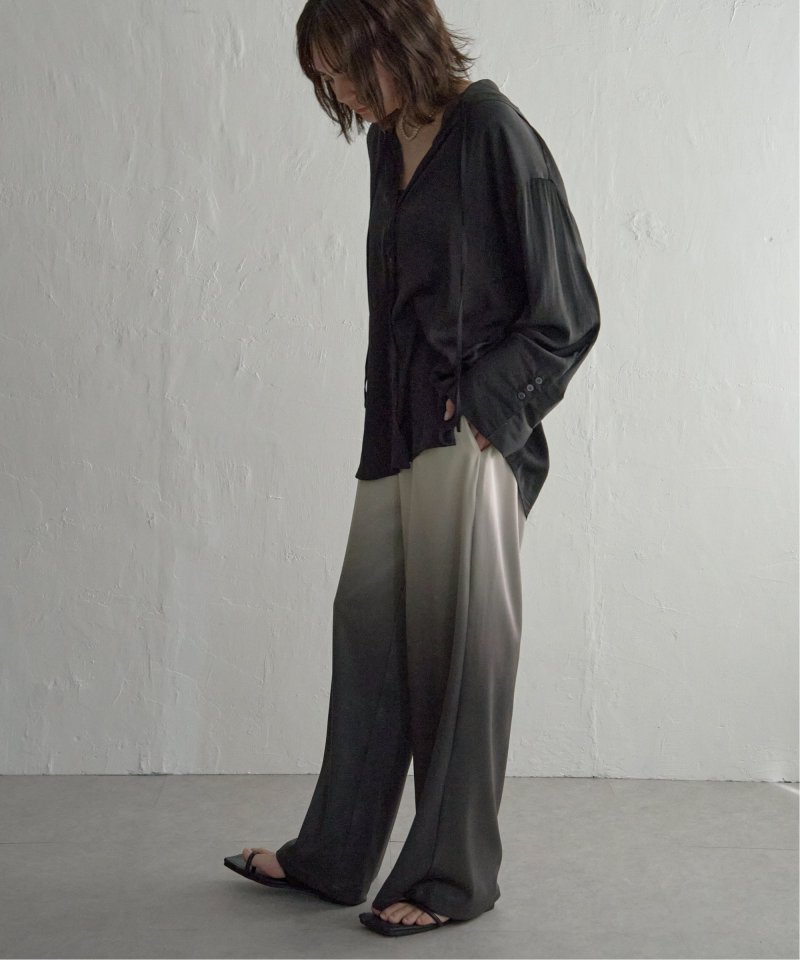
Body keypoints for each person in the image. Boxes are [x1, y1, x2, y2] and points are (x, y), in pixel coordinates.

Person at [224, 0, 601, 938]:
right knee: (367, 641)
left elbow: (568, 312)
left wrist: (482, 410)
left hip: (470, 441)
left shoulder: (493, 131)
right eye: (325, 77)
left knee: (461, 661)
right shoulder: (387, 142)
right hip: (394, 433)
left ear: (396, 39)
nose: (340, 91)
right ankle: (334, 855)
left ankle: (448, 879)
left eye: (347, 67)